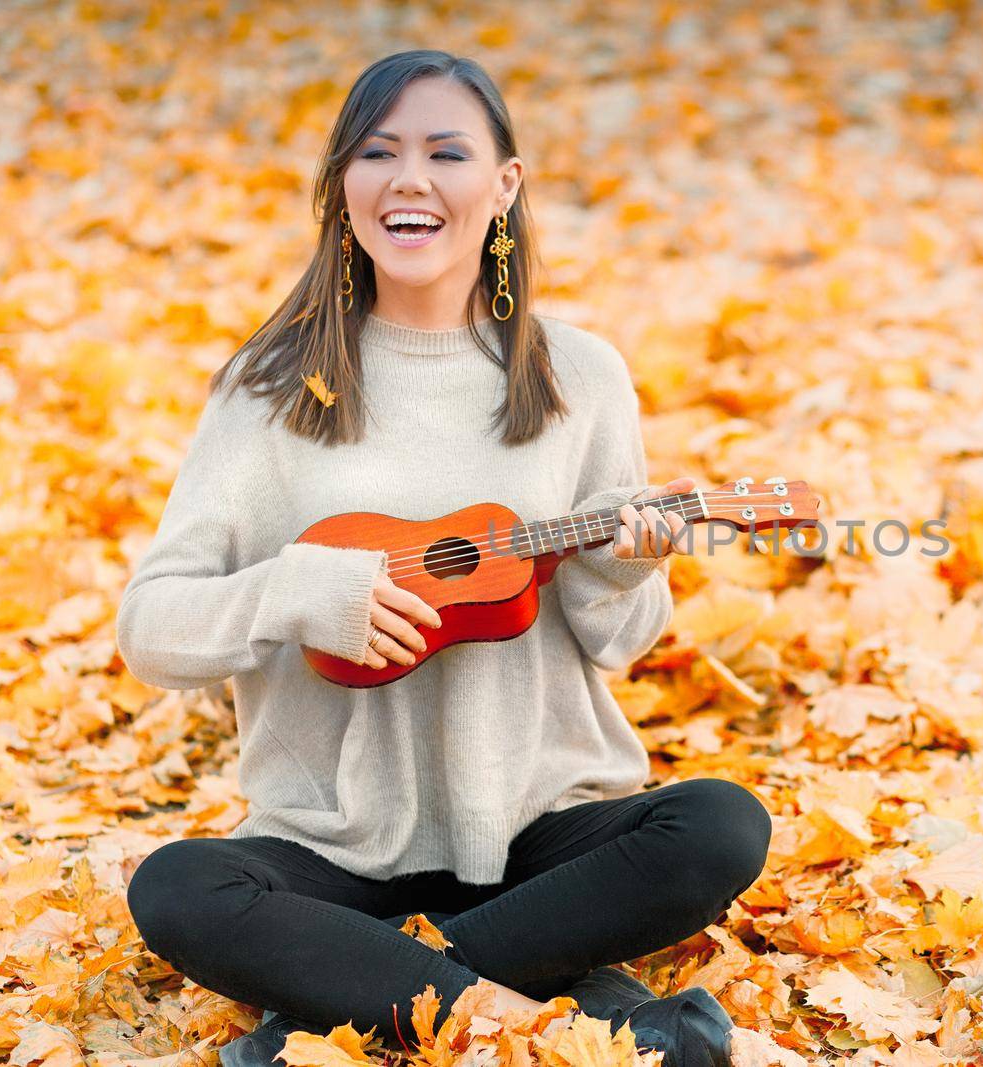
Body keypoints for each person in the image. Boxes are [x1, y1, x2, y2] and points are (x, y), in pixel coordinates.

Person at [117, 50, 771, 1067]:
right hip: (330, 848)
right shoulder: (265, 390)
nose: (409, 178)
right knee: (176, 886)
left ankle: (342, 1007)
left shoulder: (581, 377)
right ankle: (566, 1020)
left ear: (502, 185)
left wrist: (628, 564)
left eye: (446, 152)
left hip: (538, 840)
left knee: (720, 824)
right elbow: (152, 627)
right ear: (344, 186)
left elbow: (619, 641)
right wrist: (300, 590)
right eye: (377, 152)